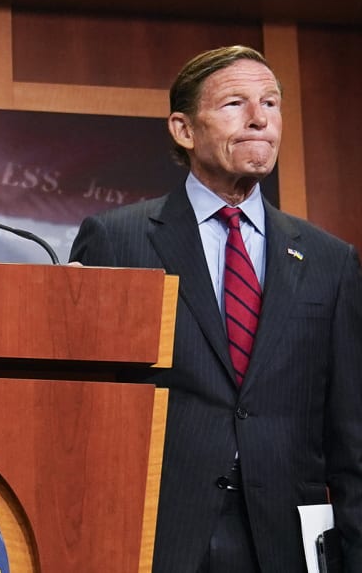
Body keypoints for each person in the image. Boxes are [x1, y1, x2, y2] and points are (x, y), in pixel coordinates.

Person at [70, 45, 362, 572]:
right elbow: (82, 414)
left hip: (286, 540)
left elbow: (352, 434)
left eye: (270, 104)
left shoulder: (330, 260)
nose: (259, 119)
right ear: (183, 129)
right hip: (158, 533)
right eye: (234, 103)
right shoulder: (116, 240)